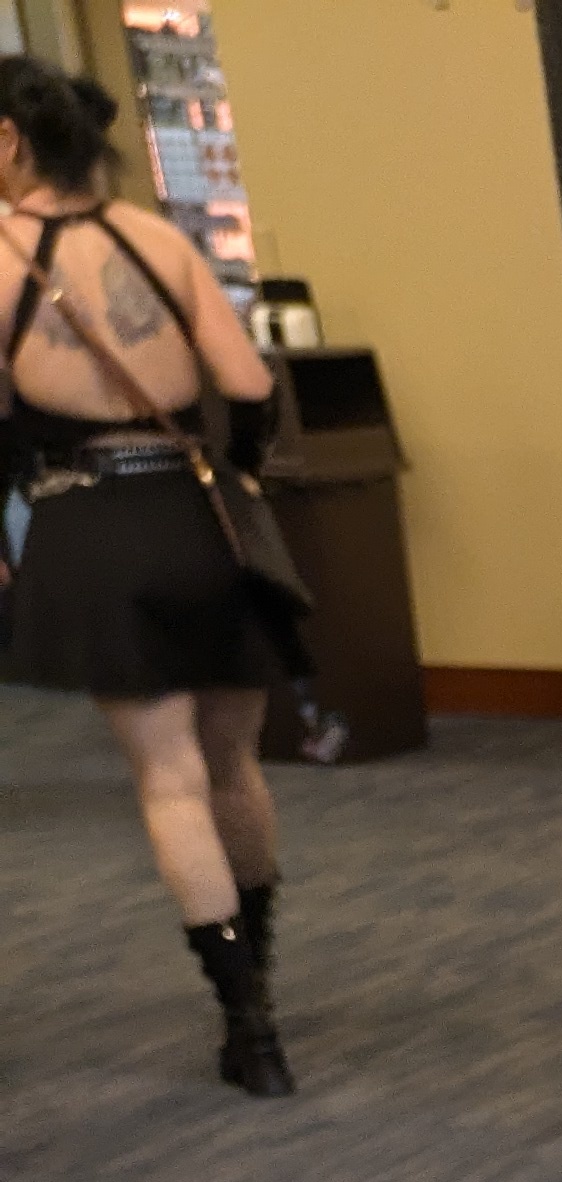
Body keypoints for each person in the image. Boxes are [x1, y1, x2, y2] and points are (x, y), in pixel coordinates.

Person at [0, 57, 299, 1094]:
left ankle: (248, 1028)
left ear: (10, 143)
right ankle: (260, 978)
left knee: (168, 780)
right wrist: (242, 476)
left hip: (93, 524)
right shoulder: (161, 237)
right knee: (234, 764)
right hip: (204, 518)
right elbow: (251, 384)